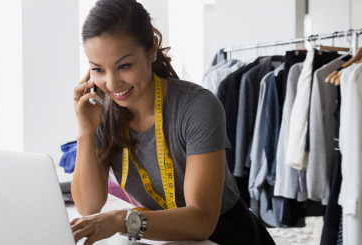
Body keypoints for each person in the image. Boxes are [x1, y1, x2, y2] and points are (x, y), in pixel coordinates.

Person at [70, 0, 274, 244]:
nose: (112, 84)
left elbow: (202, 221)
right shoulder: (102, 112)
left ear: (152, 48)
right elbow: (88, 205)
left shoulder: (197, 107)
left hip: (225, 234)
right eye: (98, 69)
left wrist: (122, 220)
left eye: (124, 66)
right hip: (158, 234)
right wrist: (86, 132)